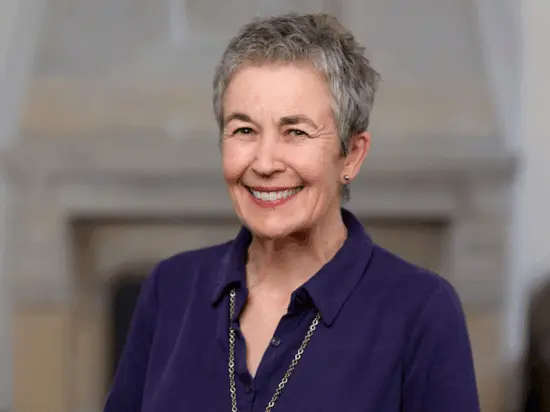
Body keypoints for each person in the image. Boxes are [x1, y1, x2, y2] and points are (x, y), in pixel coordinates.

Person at [103, 13, 480, 412]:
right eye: (244, 130)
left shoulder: (421, 310)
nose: (265, 163)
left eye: (296, 132)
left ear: (352, 154)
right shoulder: (170, 289)